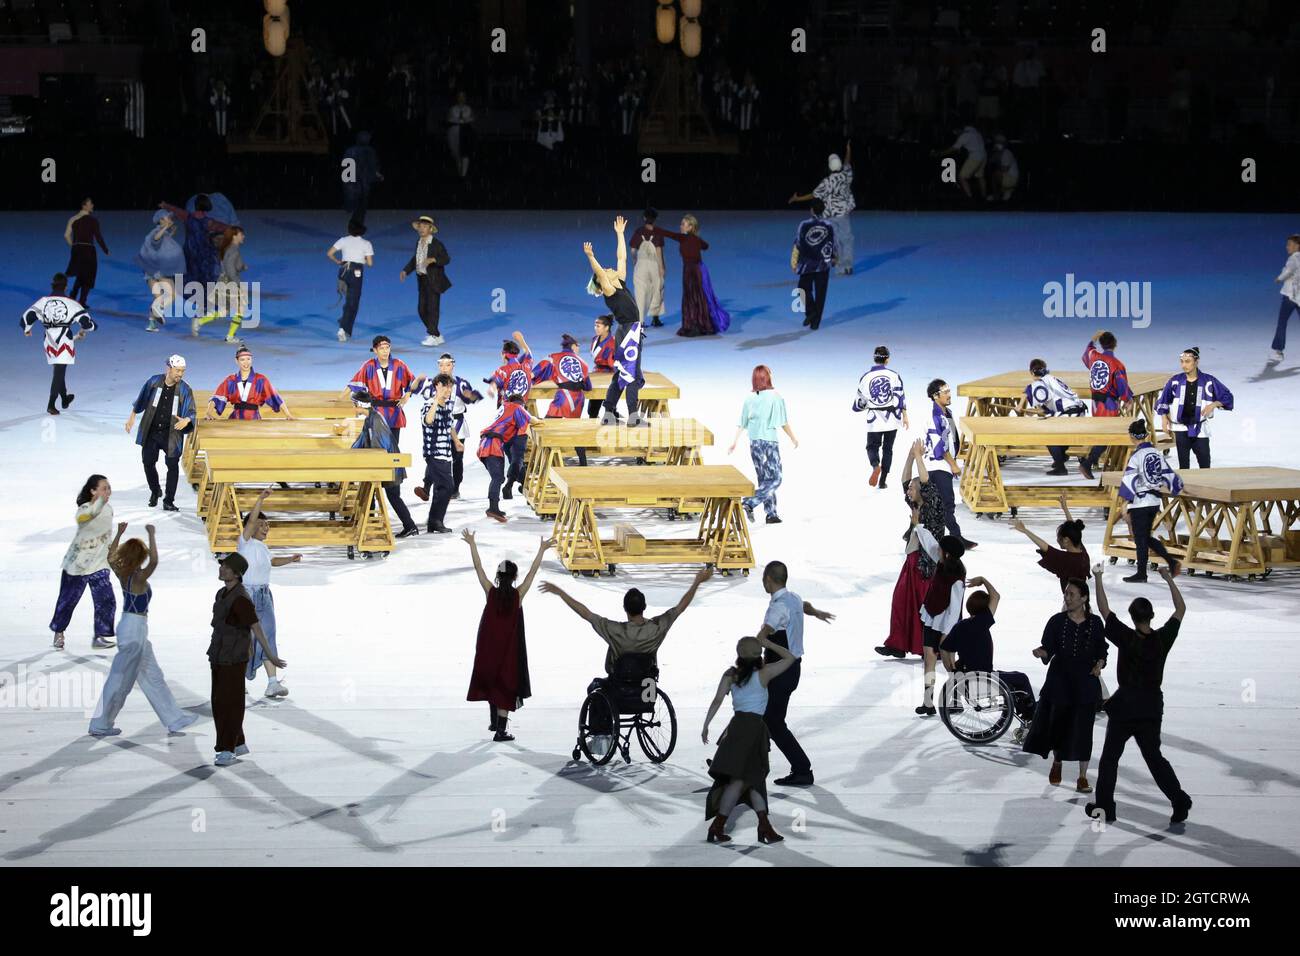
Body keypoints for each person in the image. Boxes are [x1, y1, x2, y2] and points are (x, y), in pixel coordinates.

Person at [1088, 563, 1193, 825]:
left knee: (1110, 760)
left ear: (1132, 617)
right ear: (1152, 615)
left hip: (1125, 708)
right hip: (1150, 708)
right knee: (1154, 758)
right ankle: (1178, 800)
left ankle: (1105, 809)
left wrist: (1099, 577)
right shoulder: (1162, 639)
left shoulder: (1126, 637)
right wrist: (1168, 579)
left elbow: (1103, 610)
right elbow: (1181, 609)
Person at [88, 523, 198, 736]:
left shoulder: (123, 573)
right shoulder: (137, 577)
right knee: (120, 679)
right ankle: (100, 723)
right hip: (133, 630)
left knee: (153, 675)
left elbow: (111, 557)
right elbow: (155, 561)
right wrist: (151, 535)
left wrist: (119, 533)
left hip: (134, 628)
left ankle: (174, 719)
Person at [701, 633, 797, 844]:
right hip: (754, 731)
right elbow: (791, 658)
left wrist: (706, 725)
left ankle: (750, 826)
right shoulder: (764, 673)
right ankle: (754, 827)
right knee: (747, 780)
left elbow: (717, 700)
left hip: (736, 730)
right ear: (759, 654)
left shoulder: (731, 675)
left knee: (748, 781)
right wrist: (769, 643)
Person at [462, 531, 552, 741]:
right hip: (508, 651)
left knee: (492, 680)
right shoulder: (518, 596)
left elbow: (478, 568)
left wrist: (472, 544)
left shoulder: (490, 592)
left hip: (487, 647)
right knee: (505, 685)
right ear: (514, 577)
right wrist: (541, 550)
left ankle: (494, 721)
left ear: (498, 575)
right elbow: (532, 573)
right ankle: (501, 730)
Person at [751, 561, 835, 787]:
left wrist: (756, 644)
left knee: (772, 721)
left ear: (768, 579)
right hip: (791, 669)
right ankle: (738, 762)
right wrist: (817, 612)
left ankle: (802, 769)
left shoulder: (777, 607)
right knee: (762, 716)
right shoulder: (793, 598)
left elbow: (762, 636)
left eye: (763, 579)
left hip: (780, 672)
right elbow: (804, 605)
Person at [539, 567, 712, 675]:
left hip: (619, 686)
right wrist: (697, 582)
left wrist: (560, 593)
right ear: (644, 607)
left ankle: (601, 733)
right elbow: (680, 607)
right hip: (646, 686)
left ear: (625, 608)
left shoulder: (615, 630)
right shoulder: (657, 628)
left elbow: (586, 613)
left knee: (595, 688)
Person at [1022, 578, 1107, 793]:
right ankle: (1057, 762)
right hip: (1060, 681)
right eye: (1066, 594)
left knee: (1084, 730)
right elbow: (1048, 648)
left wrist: (1099, 664)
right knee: (1059, 726)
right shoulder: (1057, 621)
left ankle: (1082, 776)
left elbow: (1101, 652)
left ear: (1084, 598)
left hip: (1085, 683)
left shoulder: (1095, 623)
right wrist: (1042, 652)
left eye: (1071, 594)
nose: (1067, 598)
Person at [207, 552, 285, 767]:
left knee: (229, 704)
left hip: (233, 657)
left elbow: (256, 627)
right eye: (221, 565)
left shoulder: (240, 598)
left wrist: (270, 655)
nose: (221, 569)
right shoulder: (221, 593)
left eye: (226, 567)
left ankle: (226, 749)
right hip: (219, 653)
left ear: (237, 573)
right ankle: (238, 743)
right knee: (219, 702)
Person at [938, 579, 1037, 739]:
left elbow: (945, 648)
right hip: (985, 679)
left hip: (969, 679)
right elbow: (996, 596)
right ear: (984, 609)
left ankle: (1026, 714)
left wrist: (953, 671)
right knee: (1021, 678)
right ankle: (1031, 717)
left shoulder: (960, 626)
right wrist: (983, 580)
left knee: (1014, 682)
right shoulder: (982, 622)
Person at [877, 440, 945, 659]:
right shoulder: (916, 504)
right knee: (901, 601)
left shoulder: (933, 504)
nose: (908, 490)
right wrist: (909, 456)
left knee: (924, 607)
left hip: (928, 565)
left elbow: (925, 483)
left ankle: (928, 648)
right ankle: (897, 644)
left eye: (912, 489)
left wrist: (919, 457)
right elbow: (906, 479)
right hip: (913, 560)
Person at [346, 335, 420, 537]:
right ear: (375, 350)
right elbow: (354, 386)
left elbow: (414, 383)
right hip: (378, 410)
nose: (385, 350)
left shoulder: (400, 365)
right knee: (378, 473)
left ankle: (373, 522)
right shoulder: (369, 366)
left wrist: (407, 395)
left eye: (387, 347)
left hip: (393, 415)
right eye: (381, 347)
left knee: (385, 462)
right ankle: (373, 519)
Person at [238, 489, 302, 699]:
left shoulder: (263, 548)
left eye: (268, 525)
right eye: (262, 524)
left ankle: (272, 683)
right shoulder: (244, 543)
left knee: (268, 636)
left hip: (265, 596)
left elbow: (273, 562)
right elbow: (250, 522)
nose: (266, 528)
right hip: (247, 596)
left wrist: (290, 559)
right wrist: (260, 500)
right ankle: (238, 680)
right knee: (245, 640)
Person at [584, 218, 647, 426]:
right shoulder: (609, 290)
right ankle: (632, 415)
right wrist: (591, 257)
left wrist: (620, 234)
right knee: (632, 375)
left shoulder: (618, 281)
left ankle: (609, 411)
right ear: (603, 284)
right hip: (628, 332)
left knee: (623, 374)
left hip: (631, 330)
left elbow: (622, 258)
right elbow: (601, 273)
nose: (611, 269)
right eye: (607, 272)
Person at [50, 475, 118, 651]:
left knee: (106, 599)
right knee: (67, 601)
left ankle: (101, 636)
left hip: (99, 564)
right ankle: (59, 631)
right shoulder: (84, 510)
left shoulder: (109, 509)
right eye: (104, 488)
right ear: (93, 491)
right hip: (78, 565)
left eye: (108, 488)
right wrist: (100, 502)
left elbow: (106, 536)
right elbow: (87, 517)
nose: (107, 492)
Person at [1115, 418, 1184, 583]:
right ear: (1145, 435)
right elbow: (1169, 475)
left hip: (1140, 502)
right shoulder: (1155, 453)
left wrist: (1125, 503)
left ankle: (1146, 572)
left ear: (1132, 436)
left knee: (1141, 539)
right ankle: (1168, 563)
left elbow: (1129, 481)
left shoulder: (1136, 457)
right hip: (1154, 502)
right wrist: (1178, 486)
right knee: (1144, 537)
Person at [125, 355, 196, 511]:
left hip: (171, 432)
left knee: (172, 465)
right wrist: (132, 417)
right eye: (177, 370)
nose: (180, 374)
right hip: (152, 430)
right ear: (168, 369)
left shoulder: (185, 389)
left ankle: (169, 500)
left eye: (182, 371)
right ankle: (155, 490)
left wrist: (187, 420)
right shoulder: (154, 382)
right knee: (148, 462)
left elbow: (191, 410)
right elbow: (141, 399)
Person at [729, 365, 798, 525]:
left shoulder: (749, 398)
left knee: (764, 479)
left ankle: (771, 513)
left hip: (754, 442)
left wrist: (735, 441)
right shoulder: (775, 397)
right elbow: (783, 422)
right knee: (775, 479)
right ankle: (749, 502)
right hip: (768, 441)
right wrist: (793, 438)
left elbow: (742, 422)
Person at [22, 273, 96, 416]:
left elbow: (28, 317)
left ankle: (64, 399)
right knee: (59, 371)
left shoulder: (43, 301)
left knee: (58, 369)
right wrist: (90, 328)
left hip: (49, 339)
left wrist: (27, 329)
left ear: (53, 284)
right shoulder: (71, 303)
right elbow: (86, 322)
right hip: (64, 340)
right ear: (66, 286)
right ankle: (51, 404)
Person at [414, 353, 481, 497]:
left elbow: (472, 399)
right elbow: (415, 390)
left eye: (448, 365)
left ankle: (455, 488)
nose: (444, 368)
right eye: (441, 365)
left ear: (453, 365)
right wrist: (417, 380)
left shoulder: (461, 384)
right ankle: (426, 487)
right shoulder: (434, 383)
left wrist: (472, 396)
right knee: (435, 456)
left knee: (457, 459)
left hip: (457, 424)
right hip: (438, 423)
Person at [1156, 347, 1234, 469]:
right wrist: (1164, 419)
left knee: (1205, 465)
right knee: (1184, 466)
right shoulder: (1175, 381)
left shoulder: (1209, 381)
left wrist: (1214, 404)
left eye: (1187, 361)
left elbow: (1228, 397)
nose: (1183, 365)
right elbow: (1163, 400)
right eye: (1182, 361)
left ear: (1196, 362)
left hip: (1200, 429)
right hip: (1180, 429)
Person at [915, 532, 966, 716]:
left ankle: (957, 699)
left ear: (947, 553)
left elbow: (954, 610)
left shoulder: (957, 579)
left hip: (946, 625)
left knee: (949, 663)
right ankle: (927, 702)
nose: (938, 549)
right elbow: (930, 545)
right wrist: (918, 526)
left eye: (941, 548)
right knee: (929, 659)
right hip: (932, 618)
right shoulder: (942, 562)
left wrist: (947, 633)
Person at [788, 142, 855, 274]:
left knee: (835, 241)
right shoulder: (847, 175)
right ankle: (847, 265)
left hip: (830, 215)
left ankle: (840, 266)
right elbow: (847, 162)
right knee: (847, 239)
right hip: (844, 214)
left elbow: (813, 195)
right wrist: (848, 150)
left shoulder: (827, 182)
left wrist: (797, 199)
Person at [658, 214, 730, 337]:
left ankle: (694, 325)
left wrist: (653, 229)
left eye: (683, 224)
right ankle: (700, 324)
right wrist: (696, 240)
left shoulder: (683, 238)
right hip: (695, 269)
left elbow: (669, 234)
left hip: (694, 271)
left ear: (690, 227)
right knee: (697, 297)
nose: (680, 226)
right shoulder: (693, 239)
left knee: (693, 297)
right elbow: (705, 246)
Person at [924, 378, 976, 548]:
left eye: (948, 391)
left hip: (943, 466)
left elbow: (952, 439)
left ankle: (914, 533)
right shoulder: (935, 418)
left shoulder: (947, 413)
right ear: (935, 396)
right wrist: (953, 464)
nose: (948, 394)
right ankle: (956, 537)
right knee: (946, 504)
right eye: (944, 392)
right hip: (938, 466)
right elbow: (940, 446)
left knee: (937, 504)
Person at [486, 332, 535, 499]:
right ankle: (516, 484)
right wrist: (522, 339)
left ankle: (511, 484)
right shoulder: (526, 366)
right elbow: (529, 353)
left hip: (506, 417)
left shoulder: (503, 370)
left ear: (503, 355)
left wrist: (492, 389)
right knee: (518, 456)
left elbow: (495, 382)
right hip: (522, 413)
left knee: (510, 452)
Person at [1079, 330, 1134, 479]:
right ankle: (1087, 463)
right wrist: (1128, 398)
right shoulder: (1117, 364)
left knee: (1100, 432)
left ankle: (1094, 460)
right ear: (1115, 345)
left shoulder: (1094, 357)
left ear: (1102, 345)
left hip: (1095, 404)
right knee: (1107, 437)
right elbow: (1122, 385)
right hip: (1108, 404)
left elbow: (1087, 351)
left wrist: (1093, 338)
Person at [1018, 358, 1087, 475]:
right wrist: (1033, 411)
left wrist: (1019, 406)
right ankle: (1062, 457)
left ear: (1031, 372)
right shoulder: (1052, 378)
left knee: (1049, 436)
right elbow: (1048, 406)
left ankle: (1061, 467)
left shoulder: (1039, 383)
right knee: (1059, 434)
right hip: (1079, 411)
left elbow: (1027, 390)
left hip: (1068, 414)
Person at [854, 345, 908, 488]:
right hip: (892, 418)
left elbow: (860, 402)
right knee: (888, 449)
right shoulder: (894, 376)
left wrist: (859, 407)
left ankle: (875, 466)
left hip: (875, 419)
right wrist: (905, 416)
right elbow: (901, 397)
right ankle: (883, 480)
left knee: (872, 447)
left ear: (874, 358)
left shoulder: (866, 377)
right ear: (887, 360)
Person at [477, 391, 536, 522]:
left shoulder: (504, 408)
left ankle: (494, 507)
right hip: (493, 444)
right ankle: (492, 508)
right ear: (521, 404)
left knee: (498, 477)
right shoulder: (517, 408)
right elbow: (532, 420)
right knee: (498, 477)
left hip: (487, 443)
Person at [1010, 495, 1089, 591]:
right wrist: (1065, 508)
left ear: (1066, 540)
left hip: (1072, 604)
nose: (1057, 540)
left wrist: (1025, 531)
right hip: (1082, 602)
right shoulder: (1082, 552)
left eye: (1058, 538)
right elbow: (1073, 528)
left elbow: (1045, 547)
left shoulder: (1067, 560)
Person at [415, 373, 461, 533]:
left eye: (450, 387)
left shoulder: (448, 405)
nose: (448, 390)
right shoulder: (429, 404)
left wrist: (456, 441)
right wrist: (436, 400)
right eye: (445, 386)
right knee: (448, 486)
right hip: (433, 453)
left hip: (446, 453)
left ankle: (435, 522)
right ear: (437, 386)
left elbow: (450, 426)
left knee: (441, 489)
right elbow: (428, 420)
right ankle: (435, 520)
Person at [399, 214, 452, 347]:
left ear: (430, 229)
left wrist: (433, 259)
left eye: (425, 226)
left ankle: (433, 334)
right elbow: (415, 259)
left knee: (433, 308)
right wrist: (406, 270)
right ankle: (437, 334)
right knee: (422, 309)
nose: (421, 229)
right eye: (420, 226)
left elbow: (446, 259)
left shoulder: (436, 244)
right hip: (422, 279)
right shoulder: (419, 242)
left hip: (434, 280)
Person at [159, 194, 230, 287]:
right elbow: (223, 227)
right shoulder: (208, 222)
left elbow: (176, 210)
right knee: (207, 273)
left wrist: (165, 205)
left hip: (190, 250)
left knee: (190, 273)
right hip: (204, 252)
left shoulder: (187, 217)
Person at [192, 226, 249, 342]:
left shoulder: (229, 248)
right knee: (241, 309)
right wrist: (239, 285)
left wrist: (242, 266)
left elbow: (232, 266)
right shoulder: (233, 250)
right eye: (241, 234)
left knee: (225, 310)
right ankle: (230, 336)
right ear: (234, 236)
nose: (243, 236)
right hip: (231, 284)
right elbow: (230, 270)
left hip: (224, 282)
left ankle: (200, 321)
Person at [204, 346, 291, 420]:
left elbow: (275, 397)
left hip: (254, 419)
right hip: (235, 419)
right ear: (236, 361)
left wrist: (287, 414)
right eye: (242, 360)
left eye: (248, 359)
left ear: (251, 359)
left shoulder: (261, 379)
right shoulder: (231, 380)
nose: (246, 363)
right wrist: (208, 412)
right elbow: (216, 397)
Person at [135, 210, 185, 332]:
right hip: (159, 270)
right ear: (161, 220)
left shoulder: (162, 233)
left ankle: (151, 324)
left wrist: (170, 232)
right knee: (172, 295)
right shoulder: (157, 231)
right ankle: (159, 310)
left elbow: (158, 243)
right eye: (167, 217)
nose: (170, 219)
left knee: (158, 298)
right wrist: (165, 227)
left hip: (150, 271)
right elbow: (155, 239)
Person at [790, 199, 836, 331]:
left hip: (807, 265)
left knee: (802, 289)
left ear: (811, 210)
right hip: (822, 265)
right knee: (821, 293)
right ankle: (815, 318)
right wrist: (834, 257)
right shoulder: (829, 225)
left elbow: (797, 244)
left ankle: (811, 313)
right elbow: (833, 243)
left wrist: (794, 262)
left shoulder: (803, 225)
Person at [328, 220, 374, 343]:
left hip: (343, 272)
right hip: (356, 273)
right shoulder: (366, 243)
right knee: (353, 302)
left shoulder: (343, 240)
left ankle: (344, 323)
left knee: (349, 301)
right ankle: (343, 328)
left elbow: (330, 253)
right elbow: (370, 263)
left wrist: (338, 261)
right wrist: (362, 258)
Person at [63, 197, 110, 306]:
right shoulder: (92, 220)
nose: (92, 205)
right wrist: (105, 250)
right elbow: (98, 237)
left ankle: (73, 296)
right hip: (88, 250)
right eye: (90, 204)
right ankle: (82, 301)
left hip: (77, 250)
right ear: (84, 206)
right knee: (88, 276)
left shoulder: (73, 218)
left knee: (80, 274)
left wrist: (74, 246)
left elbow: (66, 235)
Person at [629, 208, 666, 328]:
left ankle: (640, 321)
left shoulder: (639, 231)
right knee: (657, 290)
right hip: (654, 263)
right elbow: (659, 250)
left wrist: (635, 262)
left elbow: (633, 250)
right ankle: (656, 318)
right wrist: (662, 267)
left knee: (640, 292)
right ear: (655, 219)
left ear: (644, 218)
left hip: (641, 264)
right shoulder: (658, 232)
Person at [1268, 233, 1300, 363]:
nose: (1287, 247)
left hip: (1290, 297)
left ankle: (1278, 351)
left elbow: (1288, 271)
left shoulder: (1293, 258)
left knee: (1282, 323)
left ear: (1297, 246)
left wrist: (1278, 278)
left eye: (1290, 245)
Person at [934, 122, 987, 199]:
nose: (955, 134)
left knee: (962, 177)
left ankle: (969, 198)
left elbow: (953, 149)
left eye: (955, 132)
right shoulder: (972, 129)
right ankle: (984, 197)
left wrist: (940, 153)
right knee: (980, 176)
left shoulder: (964, 136)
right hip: (984, 154)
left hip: (975, 156)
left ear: (958, 130)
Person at [341, 131, 383, 226]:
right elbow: (372, 167)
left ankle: (352, 227)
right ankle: (357, 228)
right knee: (361, 207)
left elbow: (345, 166)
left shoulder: (349, 150)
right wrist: (377, 176)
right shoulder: (369, 151)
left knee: (353, 206)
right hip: (361, 182)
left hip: (349, 182)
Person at [588, 315, 617, 419]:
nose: (596, 328)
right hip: (597, 373)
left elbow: (614, 361)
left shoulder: (613, 342)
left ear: (606, 327)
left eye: (598, 326)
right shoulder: (594, 339)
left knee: (609, 406)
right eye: (595, 326)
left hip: (609, 375)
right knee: (592, 408)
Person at [446, 91, 476, 178]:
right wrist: (458, 121)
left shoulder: (468, 108)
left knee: (465, 153)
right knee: (457, 153)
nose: (461, 99)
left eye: (463, 97)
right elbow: (449, 119)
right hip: (454, 132)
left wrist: (465, 121)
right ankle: (460, 172)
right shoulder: (453, 108)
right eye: (459, 96)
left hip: (466, 132)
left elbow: (472, 118)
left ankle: (463, 175)